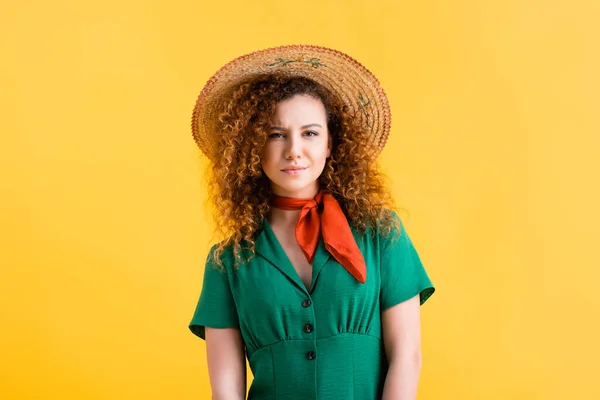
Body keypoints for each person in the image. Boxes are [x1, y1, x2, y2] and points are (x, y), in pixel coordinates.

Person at [188, 45, 435, 400]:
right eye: (275, 134)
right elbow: (225, 394)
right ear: (253, 146)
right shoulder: (227, 262)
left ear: (331, 143)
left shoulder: (381, 234)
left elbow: (407, 358)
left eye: (310, 133)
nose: (293, 150)